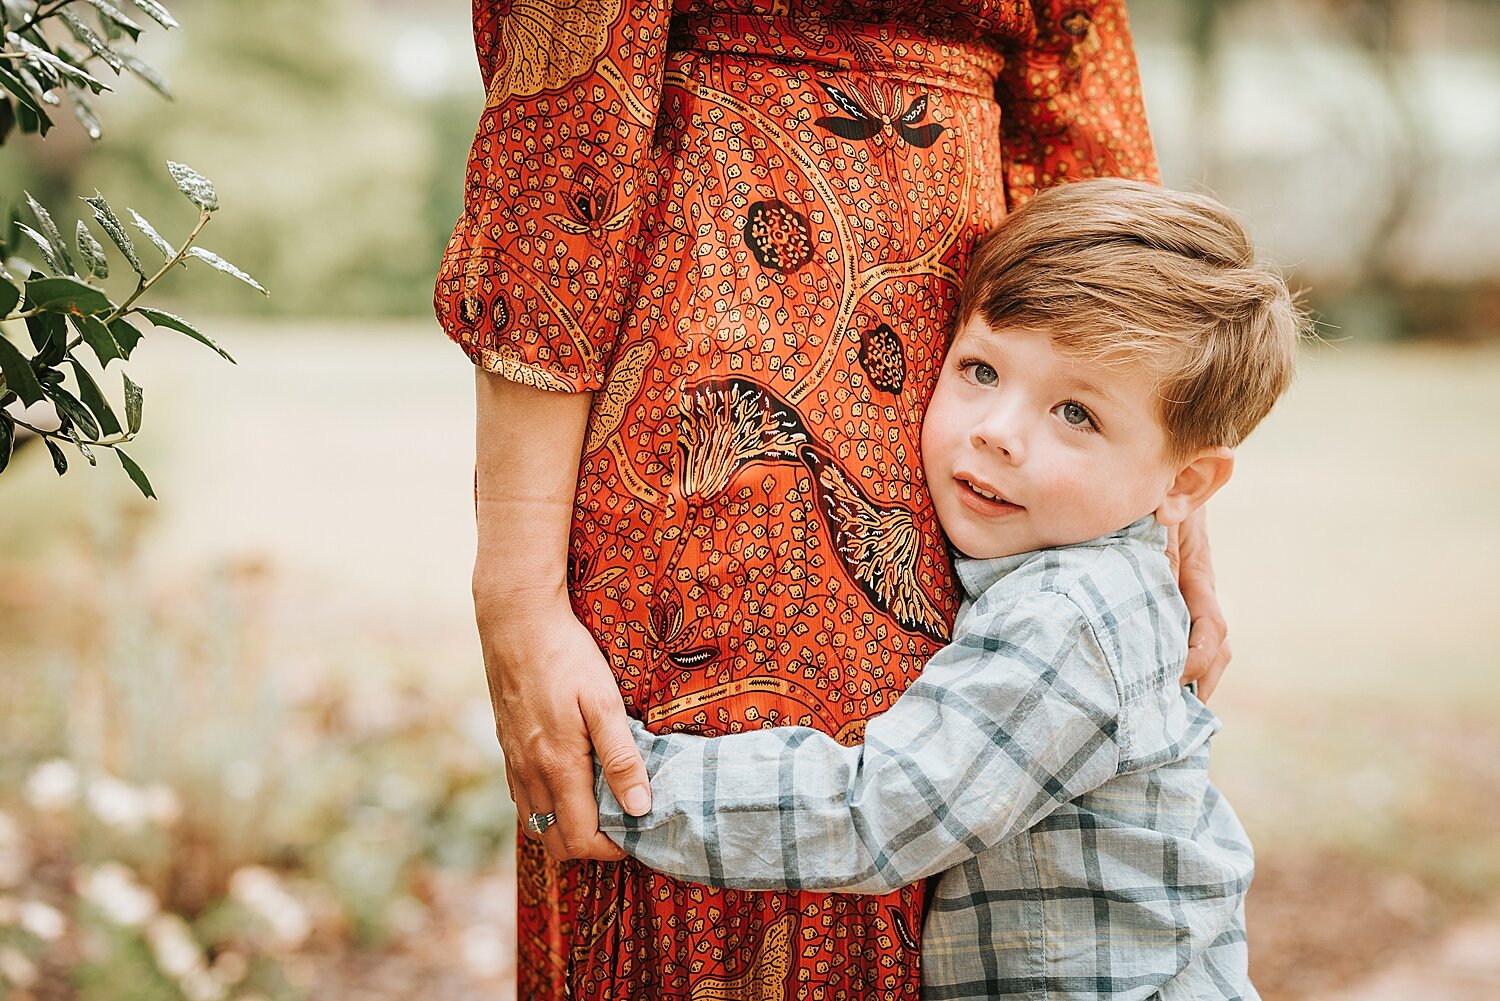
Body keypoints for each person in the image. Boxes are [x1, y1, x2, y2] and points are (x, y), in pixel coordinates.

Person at [434, 1, 1230, 996]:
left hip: (978, 437)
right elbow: (565, 119)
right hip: (704, 445)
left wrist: (1169, 501)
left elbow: (1082, 97)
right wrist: (515, 586)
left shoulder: (1069, 558)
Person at [594, 178, 1303, 999]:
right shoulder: (1076, 571)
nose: (997, 431)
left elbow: (875, 813)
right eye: (979, 368)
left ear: (1185, 481)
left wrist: (622, 789)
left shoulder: (1070, 616)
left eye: (1076, 413)